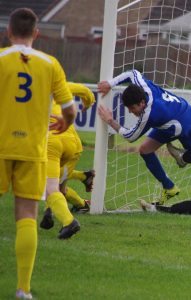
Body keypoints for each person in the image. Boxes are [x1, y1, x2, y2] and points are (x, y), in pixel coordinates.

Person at [0, 8, 76, 299]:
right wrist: (65, 122)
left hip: (1, 144)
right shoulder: (50, 63)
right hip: (33, 148)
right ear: (36, 33)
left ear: (8, 32)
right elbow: (69, 110)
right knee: (27, 215)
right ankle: (23, 289)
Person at [97, 69, 191, 204]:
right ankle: (169, 187)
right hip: (170, 125)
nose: (131, 112)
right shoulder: (144, 87)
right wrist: (110, 83)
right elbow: (133, 73)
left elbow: (130, 136)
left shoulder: (149, 114)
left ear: (142, 103)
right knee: (145, 150)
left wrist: (110, 121)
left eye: (132, 108)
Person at [39, 82, 96, 238]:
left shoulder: (23, 91)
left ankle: (68, 217)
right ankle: (84, 186)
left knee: (51, 187)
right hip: (72, 143)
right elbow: (86, 91)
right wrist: (88, 104)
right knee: (57, 185)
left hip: (51, 142)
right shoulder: (57, 85)